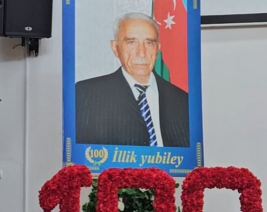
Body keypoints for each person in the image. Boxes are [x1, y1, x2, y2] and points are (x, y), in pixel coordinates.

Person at [75, 12, 189, 147]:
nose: (141, 53)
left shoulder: (183, 101)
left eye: (149, 43)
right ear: (115, 48)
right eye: (131, 42)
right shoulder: (86, 95)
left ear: (158, 49)